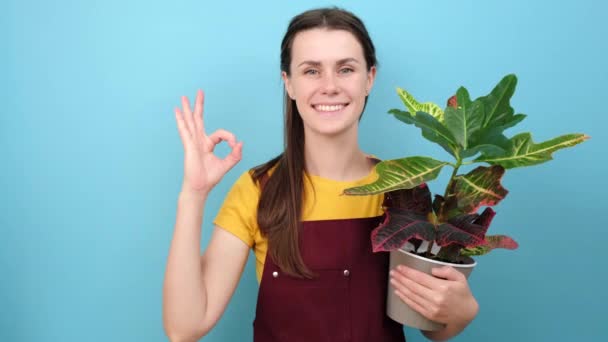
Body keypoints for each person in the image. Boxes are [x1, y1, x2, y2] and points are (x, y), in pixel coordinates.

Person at [163, 7, 479, 342]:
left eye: (345, 69)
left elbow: (434, 327)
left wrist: (461, 311)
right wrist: (193, 194)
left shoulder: (404, 189)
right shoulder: (257, 191)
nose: (329, 86)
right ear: (289, 84)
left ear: (369, 78)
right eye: (311, 71)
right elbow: (185, 328)